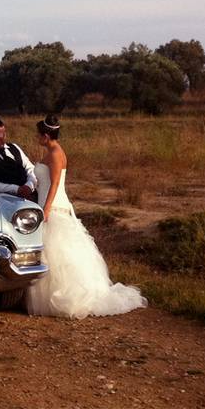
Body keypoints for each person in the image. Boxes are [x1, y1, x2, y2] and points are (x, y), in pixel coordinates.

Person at [27, 114, 147, 319]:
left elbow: (55, 183)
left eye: (39, 135)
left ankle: (67, 297)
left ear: (46, 136)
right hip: (45, 203)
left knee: (57, 251)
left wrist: (46, 208)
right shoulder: (52, 151)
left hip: (54, 206)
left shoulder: (56, 153)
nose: (37, 138)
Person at [0, 117, 38, 202]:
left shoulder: (14, 147)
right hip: (8, 203)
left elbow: (30, 167)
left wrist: (29, 185)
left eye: (4, 134)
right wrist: (16, 189)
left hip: (32, 196)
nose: (2, 138)